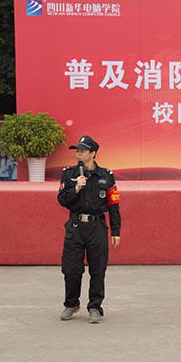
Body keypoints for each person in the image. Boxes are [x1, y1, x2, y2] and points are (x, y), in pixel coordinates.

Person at [57, 135, 121, 324]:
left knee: (98, 268)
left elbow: (114, 204)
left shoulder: (106, 176)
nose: (78, 153)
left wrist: (116, 231)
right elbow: (61, 199)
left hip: (97, 227)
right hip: (75, 226)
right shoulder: (68, 174)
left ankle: (95, 307)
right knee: (71, 269)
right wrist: (75, 188)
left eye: (83, 150)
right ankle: (71, 303)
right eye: (77, 150)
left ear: (93, 154)